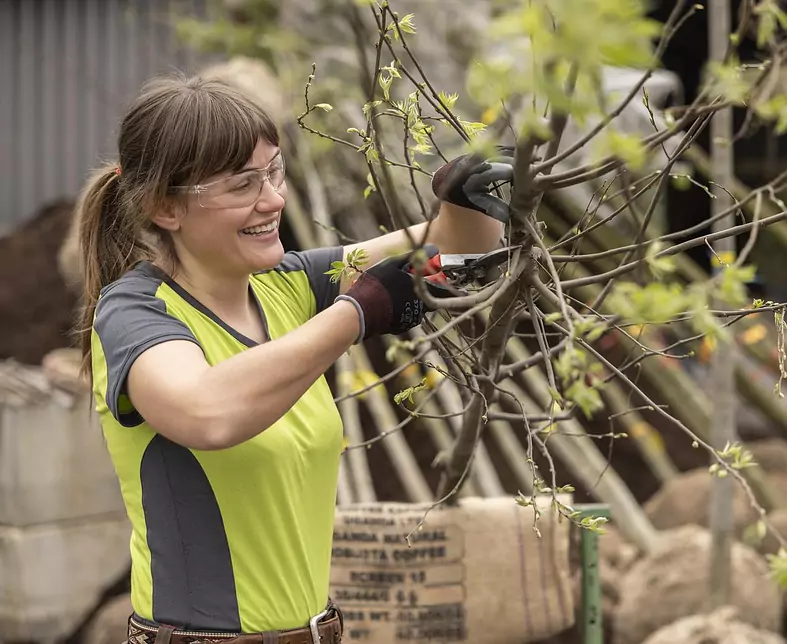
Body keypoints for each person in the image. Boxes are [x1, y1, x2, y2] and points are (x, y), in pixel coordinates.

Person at [75, 74, 508, 644]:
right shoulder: (132, 313)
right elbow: (208, 414)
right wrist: (355, 313)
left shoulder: (291, 286)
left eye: (274, 172)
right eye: (242, 184)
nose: (274, 199)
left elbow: (450, 250)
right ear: (165, 206)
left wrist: (466, 193)